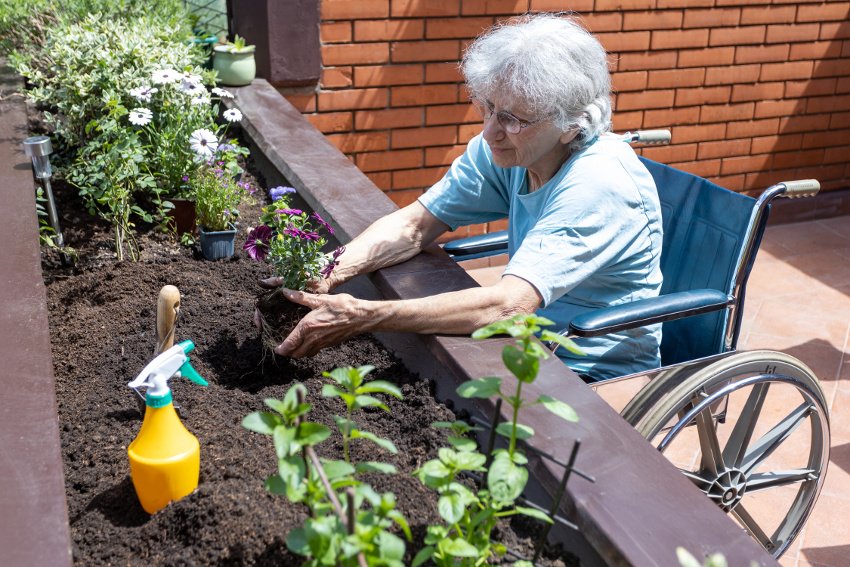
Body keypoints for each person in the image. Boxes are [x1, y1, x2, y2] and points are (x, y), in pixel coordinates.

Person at [263, 13, 663, 381]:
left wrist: (365, 315)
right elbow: (414, 225)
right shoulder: (515, 150)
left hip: (592, 372)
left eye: (513, 118)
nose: (490, 131)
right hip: (526, 351)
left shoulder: (598, 185)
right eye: (488, 108)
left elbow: (507, 306)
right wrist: (330, 268)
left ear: (571, 126)